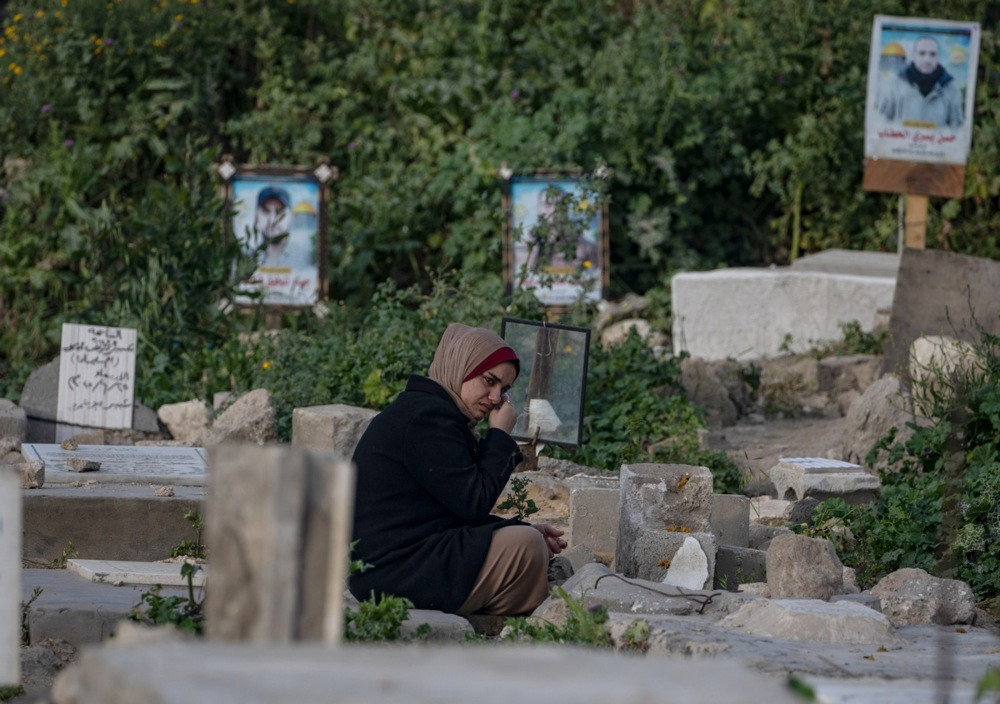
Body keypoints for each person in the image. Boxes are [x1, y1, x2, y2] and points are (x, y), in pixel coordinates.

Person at [349, 323, 567, 615]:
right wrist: (500, 437)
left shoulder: (430, 412)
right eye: (489, 381)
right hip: (395, 572)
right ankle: (503, 613)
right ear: (460, 366)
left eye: (503, 390)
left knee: (526, 540)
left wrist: (511, 527)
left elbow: (450, 510)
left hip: (399, 564)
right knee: (527, 547)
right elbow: (474, 503)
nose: (494, 398)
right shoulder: (427, 418)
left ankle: (492, 603)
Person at [877, 35, 963, 128]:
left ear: (938, 57)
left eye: (932, 54)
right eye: (922, 53)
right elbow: (882, 122)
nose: (927, 59)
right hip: (902, 141)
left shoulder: (950, 89)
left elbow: (957, 128)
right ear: (913, 56)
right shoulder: (895, 85)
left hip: (938, 141)